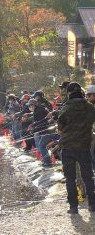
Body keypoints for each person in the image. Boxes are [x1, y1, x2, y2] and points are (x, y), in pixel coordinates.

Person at [58, 82, 95, 214]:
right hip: (84, 147)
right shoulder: (91, 108)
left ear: (69, 93)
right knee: (88, 177)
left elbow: (60, 126)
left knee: (70, 178)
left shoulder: (65, 108)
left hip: (68, 148)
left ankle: (73, 207)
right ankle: (92, 205)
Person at [28, 99, 59, 167]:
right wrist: (33, 126)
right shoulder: (40, 109)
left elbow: (42, 122)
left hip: (47, 131)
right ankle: (48, 160)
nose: (30, 107)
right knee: (45, 145)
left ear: (34, 104)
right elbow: (42, 121)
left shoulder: (38, 111)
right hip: (50, 130)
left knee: (41, 146)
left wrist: (33, 129)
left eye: (30, 105)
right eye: (29, 105)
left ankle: (47, 163)